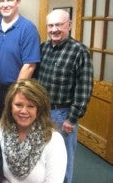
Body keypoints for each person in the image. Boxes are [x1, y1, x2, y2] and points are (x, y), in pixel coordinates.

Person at [35, 9, 93, 183]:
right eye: (50, 25)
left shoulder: (79, 51)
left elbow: (84, 88)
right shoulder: (43, 48)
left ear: (69, 25)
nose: (54, 29)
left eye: (59, 25)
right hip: (40, 112)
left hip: (63, 115)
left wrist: (72, 118)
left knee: (63, 158)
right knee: (42, 154)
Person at [0, 0, 40, 121]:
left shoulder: (28, 29)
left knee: (11, 131)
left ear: (18, 2)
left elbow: (29, 66)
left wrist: (15, 95)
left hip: (13, 90)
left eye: (9, 0)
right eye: (1, 1)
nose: (5, 5)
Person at [0, 79, 67, 183]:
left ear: (39, 110)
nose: (24, 111)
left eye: (30, 106)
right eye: (18, 105)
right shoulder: (3, 130)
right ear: (10, 107)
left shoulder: (54, 140)